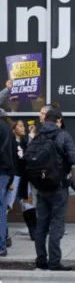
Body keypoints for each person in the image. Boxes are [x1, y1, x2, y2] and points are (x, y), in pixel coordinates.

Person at [26, 108, 75, 271]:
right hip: (58, 185)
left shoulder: (38, 136)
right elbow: (74, 158)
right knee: (56, 225)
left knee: (41, 225)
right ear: (59, 120)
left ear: (45, 120)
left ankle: (41, 260)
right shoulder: (63, 135)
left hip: (41, 186)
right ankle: (54, 262)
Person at [0, 110, 14, 257]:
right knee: (1, 210)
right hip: (5, 172)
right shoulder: (8, 130)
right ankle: (2, 246)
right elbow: (13, 153)